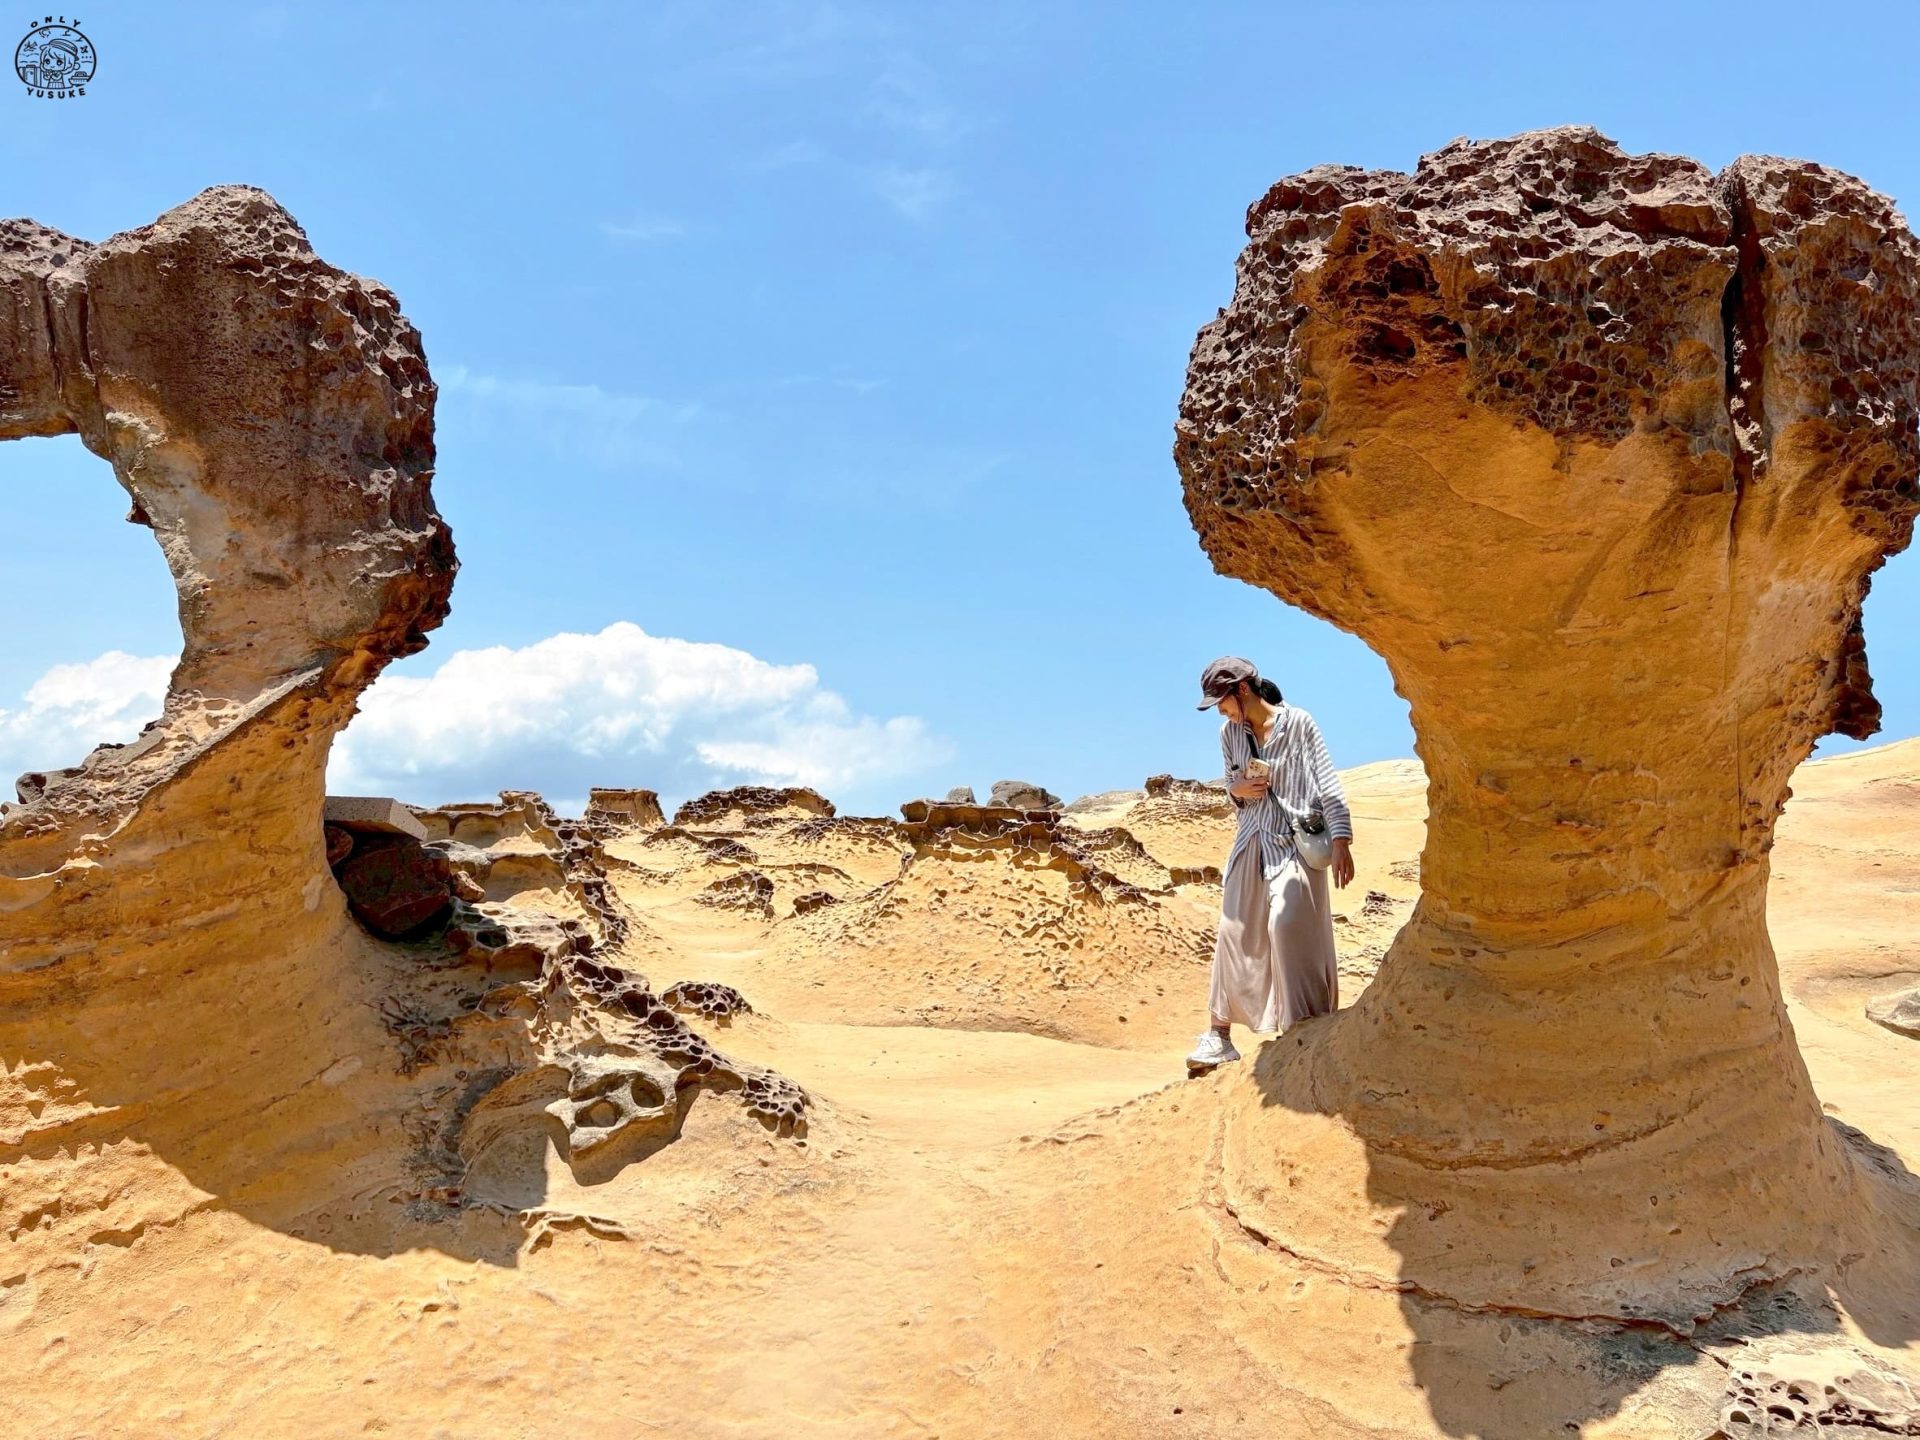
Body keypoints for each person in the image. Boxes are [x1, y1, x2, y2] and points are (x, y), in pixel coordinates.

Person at [1186, 655, 1354, 1071]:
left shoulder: (1300, 723)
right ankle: (1219, 1036)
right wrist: (1238, 788)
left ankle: (1305, 1029)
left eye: (1221, 701)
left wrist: (1343, 840)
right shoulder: (1230, 733)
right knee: (1233, 931)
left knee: (1289, 922)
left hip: (1296, 842)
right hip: (1250, 841)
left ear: (1242, 690)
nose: (1220, 711)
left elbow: (1328, 781)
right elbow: (1230, 785)